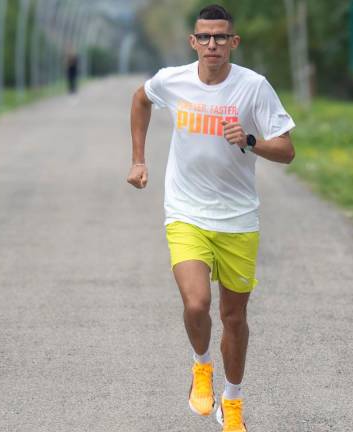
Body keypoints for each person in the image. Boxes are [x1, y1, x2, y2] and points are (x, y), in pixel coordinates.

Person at [126, 4, 296, 432]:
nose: (212, 44)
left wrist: (251, 139)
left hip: (238, 218)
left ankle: (232, 401)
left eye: (221, 37)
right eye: (205, 37)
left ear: (233, 43)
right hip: (185, 212)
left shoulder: (254, 87)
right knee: (197, 303)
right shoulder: (173, 80)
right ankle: (202, 366)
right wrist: (139, 160)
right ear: (193, 42)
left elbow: (287, 151)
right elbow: (141, 98)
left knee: (234, 318)